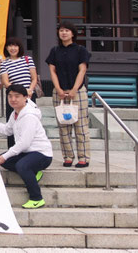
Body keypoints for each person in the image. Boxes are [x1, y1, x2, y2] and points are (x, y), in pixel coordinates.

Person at [0, 84, 53, 209]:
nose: (13, 99)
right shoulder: (15, 113)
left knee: (21, 165)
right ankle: (34, 172)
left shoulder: (29, 116)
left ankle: (36, 198)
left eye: (17, 96)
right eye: (10, 96)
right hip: (27, 153)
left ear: (25, 97)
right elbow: (6, 130)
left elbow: (24, 143)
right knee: (4, 160)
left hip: (41, 154)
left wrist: (6, 155)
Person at [46, 22, 92, 168]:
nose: (64, 33)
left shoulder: (80, 50)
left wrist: (74, 89)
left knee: (80, 126)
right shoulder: (54, 50)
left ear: (72, 33)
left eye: (67, 30)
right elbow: (52, 71)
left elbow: (82, 70)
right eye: (61, 30)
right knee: (63, 126)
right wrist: (58, 89)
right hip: (59, 92)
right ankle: (67, 156)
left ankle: (83, 157)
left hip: (77, 92)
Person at [0, 37, 39, 148]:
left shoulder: (27, 59)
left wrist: (30, 90)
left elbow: (34, 78)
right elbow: (6, 82)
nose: (13, 48)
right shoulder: (4, 64)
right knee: (12, 124)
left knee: (29, 123)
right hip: (14, 98)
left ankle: (30, 149)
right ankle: (12, 150)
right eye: (10, 46)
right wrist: (18, 92)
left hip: (29, 96)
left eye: (15, 45)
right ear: (6, 48)